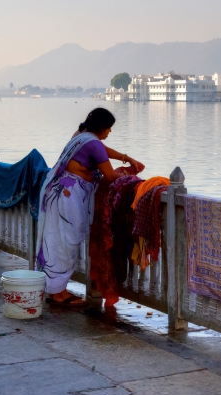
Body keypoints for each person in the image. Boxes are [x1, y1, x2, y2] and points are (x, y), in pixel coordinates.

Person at [36, 107, 144, 305]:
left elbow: (101, 150)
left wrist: (125, 158)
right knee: (66, 241)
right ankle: (58, 293)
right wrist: (130, 176)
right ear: (102, 127)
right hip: (67, 197)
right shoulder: (91, 143)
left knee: (56, 240)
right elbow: (110, 176)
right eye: (109, 128)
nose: (110, 132)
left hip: (59, 193)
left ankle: (54, 288)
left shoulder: (80, 136)